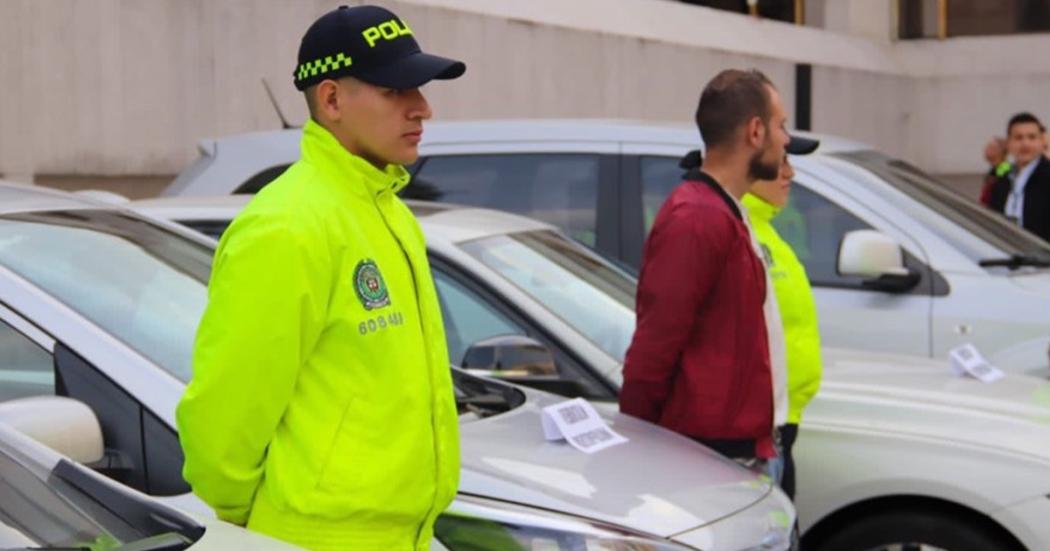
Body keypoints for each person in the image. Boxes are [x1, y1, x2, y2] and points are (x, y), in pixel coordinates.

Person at [175, 5, 465, 550]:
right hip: (312, 538)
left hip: (402, 536)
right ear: (331, 99)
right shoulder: (287, 224)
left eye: (420, 88)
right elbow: (224, 416)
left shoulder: (387, 210)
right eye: (396, 89)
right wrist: (262, 521)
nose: (422, 108)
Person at [620, 68, 790, 471]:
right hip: (710, 458)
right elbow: (655, 347)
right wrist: (634, 446)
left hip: (740, 450)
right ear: (755, 131)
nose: (785, 141)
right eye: (781, 126)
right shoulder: (696, 217)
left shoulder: (727, 211)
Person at [741, 148, 822, 500]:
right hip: (760, 428)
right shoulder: (740, 229)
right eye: (782, 161)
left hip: (782, 421)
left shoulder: (765, 230)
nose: (790, 173)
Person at [989, 112, 1050, 243]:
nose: (1025, 143)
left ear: (1041, 141)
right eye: (1018, 137)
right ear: (1009, 142)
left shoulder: (1047, 175)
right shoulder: (1005, 174)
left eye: (1032, 137)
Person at [978, 136, 1010, 207]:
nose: (985, 150)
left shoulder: (1004, 169)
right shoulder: (995, 170)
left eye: (990, 147)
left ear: (999, 151)